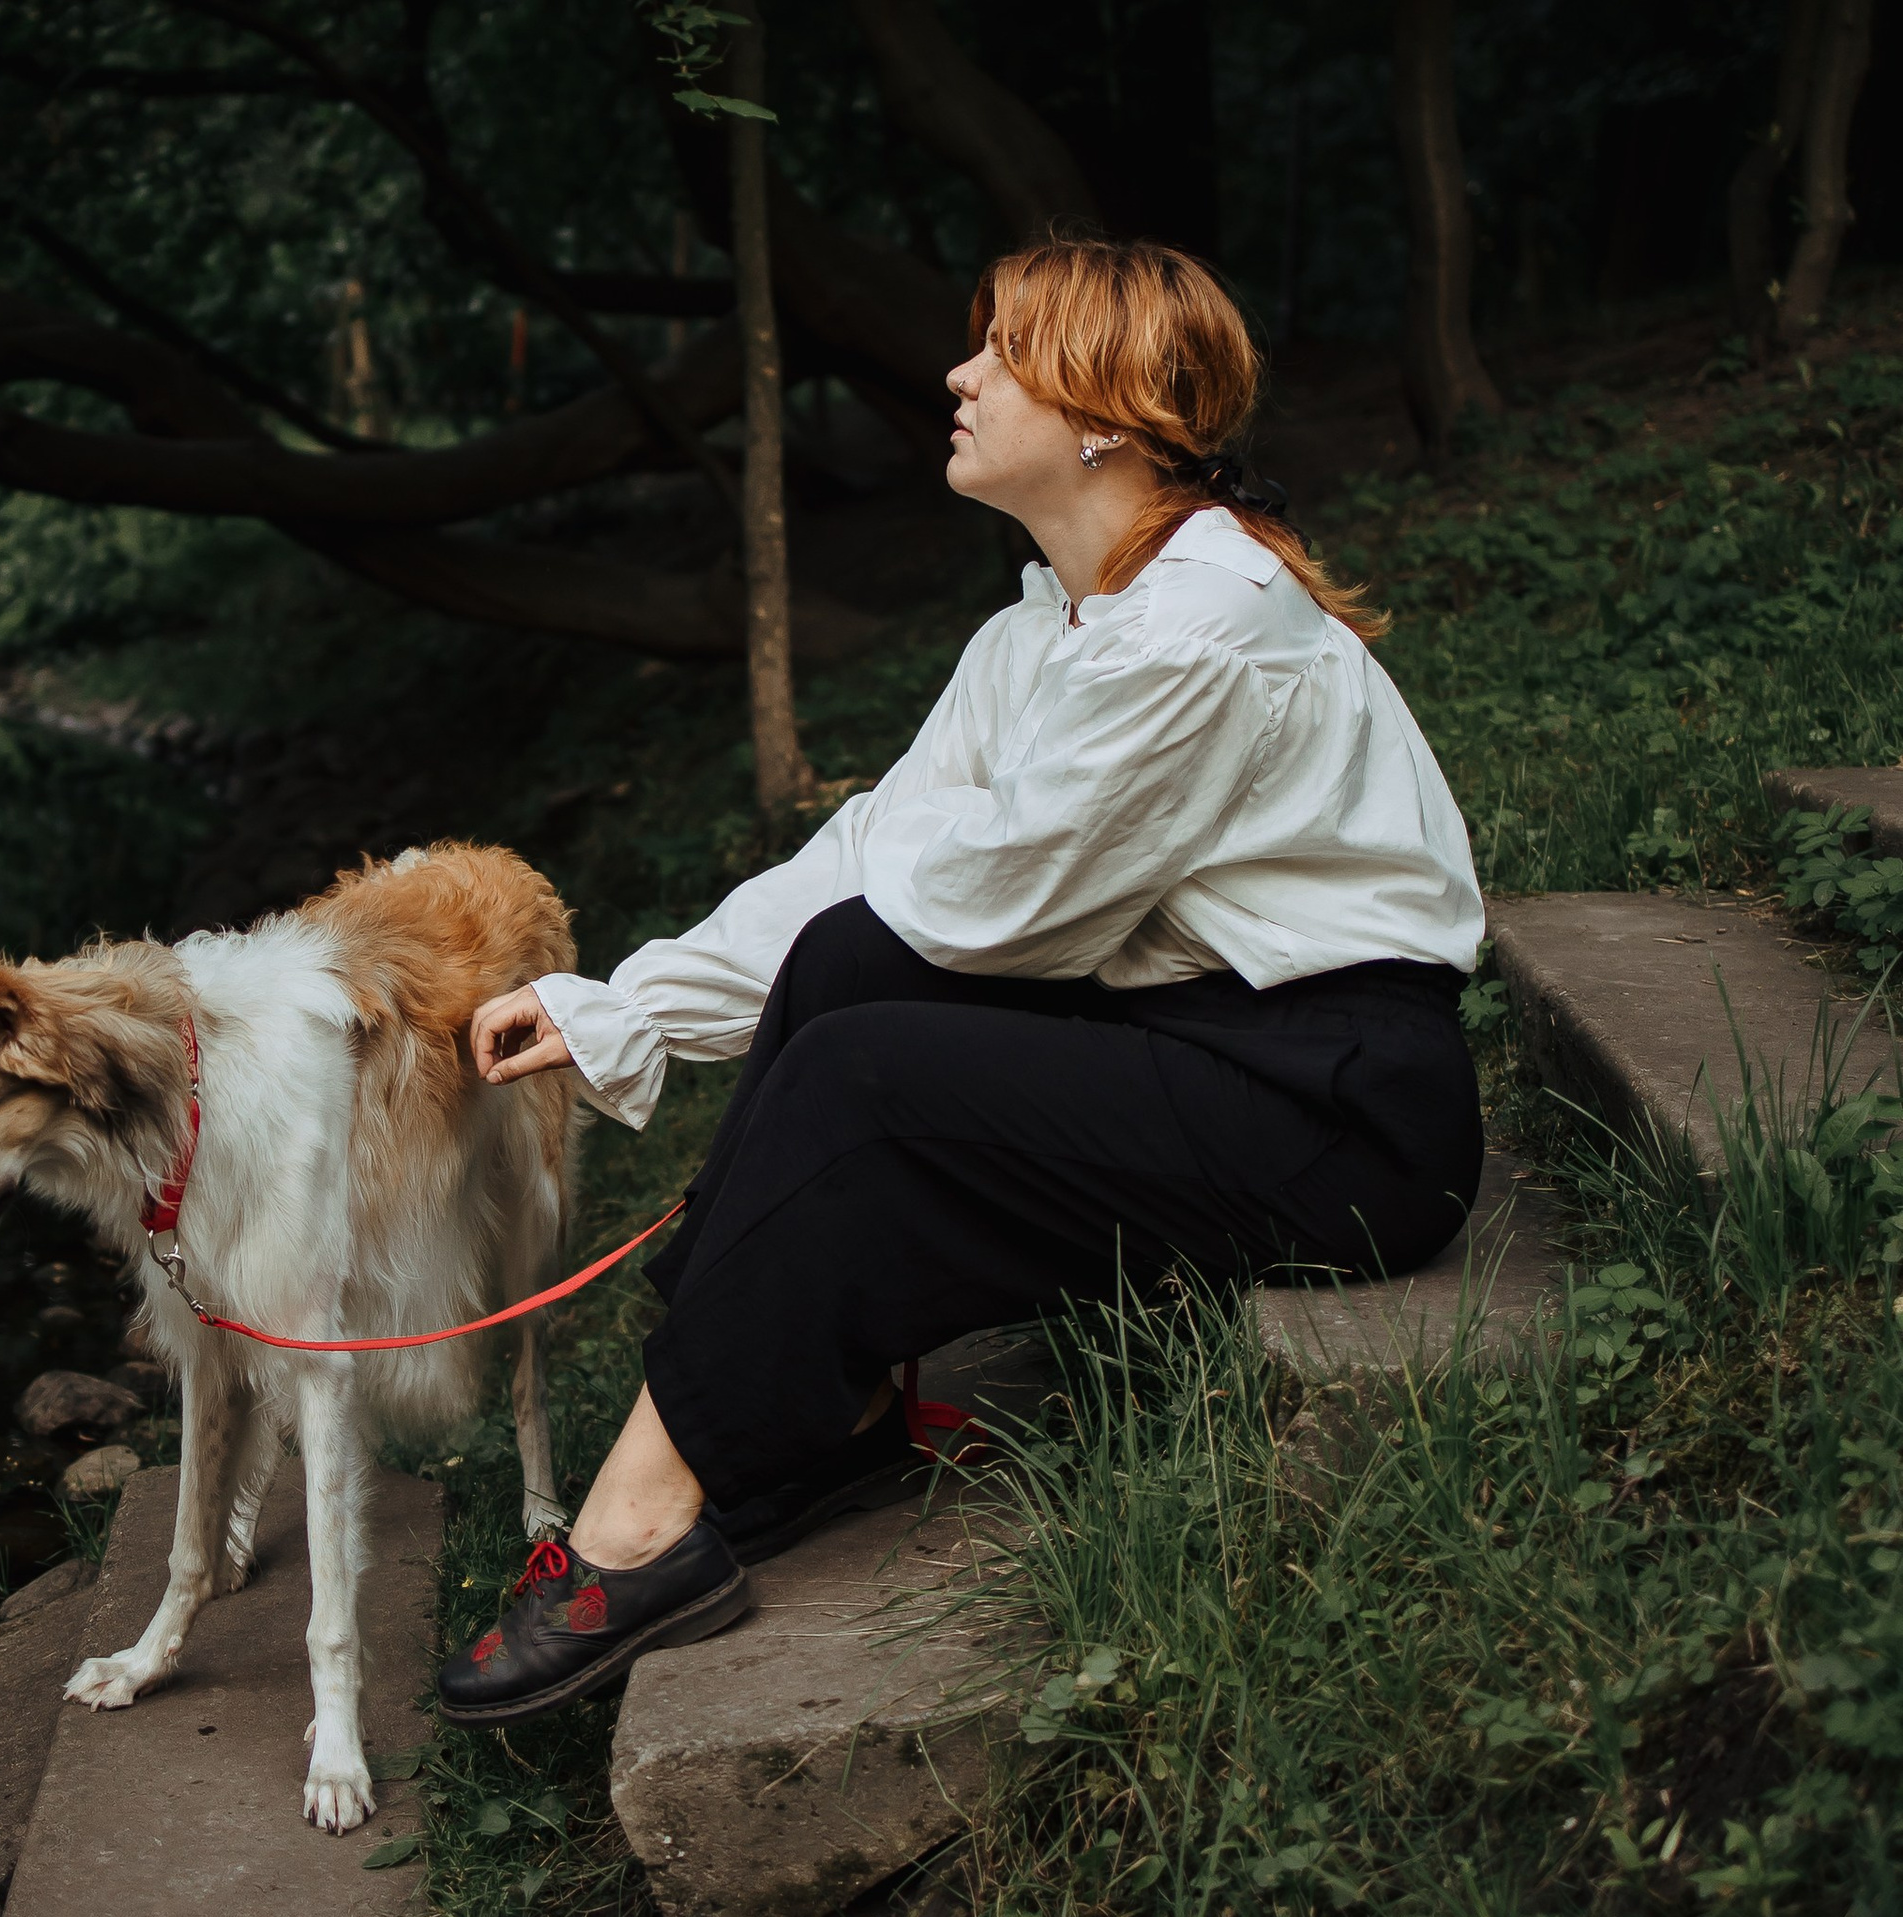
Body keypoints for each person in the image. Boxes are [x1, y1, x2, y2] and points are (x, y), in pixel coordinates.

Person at [436, 235, 1485, 1729]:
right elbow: (879, 852)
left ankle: (639, 1521)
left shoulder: (1199, 626)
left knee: (866, 1076)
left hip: (1340, 1112)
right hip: (1209, 1037)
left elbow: (996, 902)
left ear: (1106, 411)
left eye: (1000, 349)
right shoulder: (1053, 626)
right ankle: (837, 1407)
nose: (958, 373)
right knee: (854, 961)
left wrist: (805, 977)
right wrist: (628, 1002)